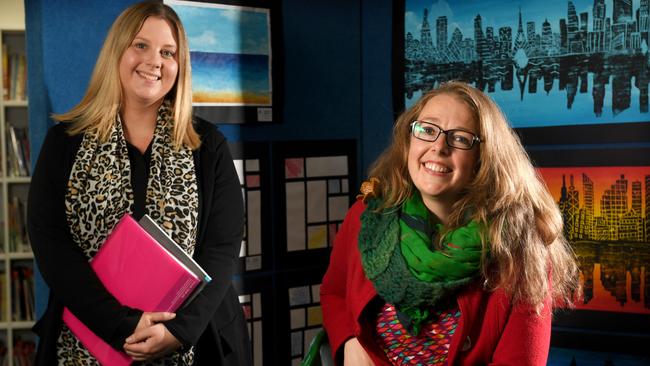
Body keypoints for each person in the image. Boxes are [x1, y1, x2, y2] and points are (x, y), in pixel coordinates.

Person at [27, 2, 250, 365]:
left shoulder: (208, 146)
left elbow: (222, 249)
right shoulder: (64, 142)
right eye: (140, 45)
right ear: (117, 51)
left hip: (194, 340)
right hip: (87, 340)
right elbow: (50, 243)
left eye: (168, 52)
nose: (154, 61)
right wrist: (120, 325)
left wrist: (177, 333)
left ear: (180, 65)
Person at [320, 81, 581, 365]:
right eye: (427, 130)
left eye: (459, 138)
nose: (438, 147)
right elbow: (334, 292)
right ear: (410, 140)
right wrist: (350, 341)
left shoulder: (520, 249)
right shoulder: (367, 216)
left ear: (484, 158)